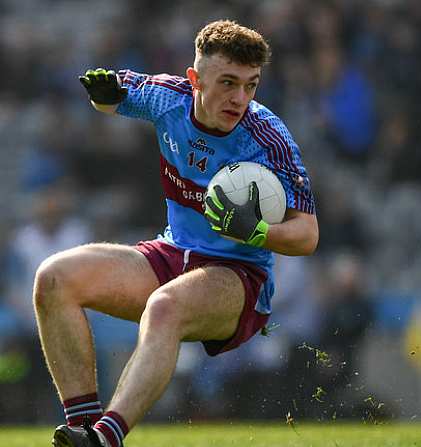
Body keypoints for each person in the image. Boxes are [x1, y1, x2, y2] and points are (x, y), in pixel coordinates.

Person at [34, 20, 318, 447]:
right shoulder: (168, 97)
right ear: (195, 79)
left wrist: (257, 231)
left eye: (250, 85)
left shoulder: (269, 138)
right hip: (173, 252)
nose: (239, 98)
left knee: (164, 307)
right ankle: (82, 430)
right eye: (227, 83)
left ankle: (105, 440)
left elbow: (308, 235)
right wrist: (102, 96)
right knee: (53, 277)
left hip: (238, 276)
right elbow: (116, 97)